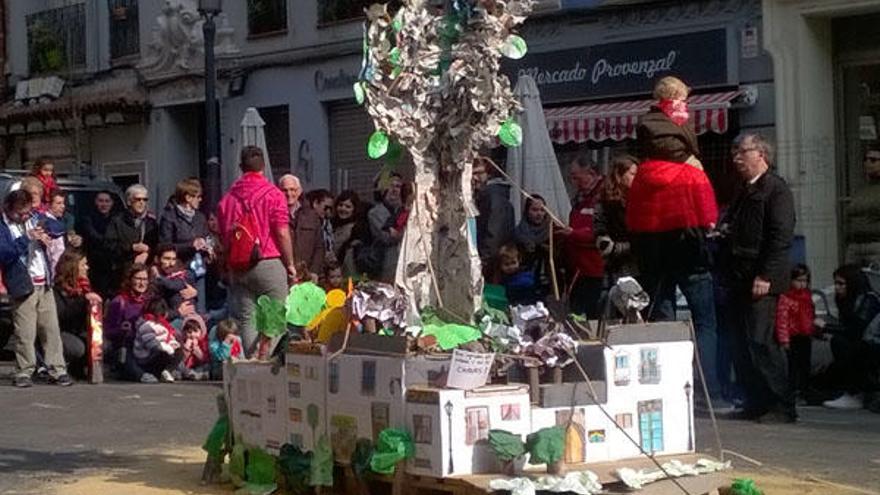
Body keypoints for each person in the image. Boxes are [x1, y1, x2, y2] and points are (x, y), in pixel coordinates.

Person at [719, 133, 797, 423]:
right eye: (734, 151)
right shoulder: (744, 190)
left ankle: (782, 404)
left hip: (761, 276)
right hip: (738, 275)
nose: (737, 157)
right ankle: (755, 401)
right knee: (740, 342)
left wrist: (766, 274)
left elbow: (780, 236)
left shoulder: (776, 190)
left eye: (743, 152)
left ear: (761, 154)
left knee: (761, 340)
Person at [217, 146, 295, 356]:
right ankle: (264, 356)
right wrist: (290, 264)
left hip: (239, 265)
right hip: (268, 260)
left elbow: (224, 238)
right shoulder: (273, 194)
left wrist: (226, 266)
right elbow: (282, 232)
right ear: (264, 166)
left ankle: (252, 362)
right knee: (275, 314)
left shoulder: (227, 200)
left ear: (241, 167)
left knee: (247, 318)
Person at [0, 190, 72, 387]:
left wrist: (45, 229)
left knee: (50, 329)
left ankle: (57, 369)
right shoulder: (3, 225)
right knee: (25, 331)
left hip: (44, 282)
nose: (25, 217)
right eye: (21, 213)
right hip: (23, 283)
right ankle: (24, 371)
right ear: (9, 208)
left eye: (27, 212)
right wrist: (27, 239)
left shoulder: (35, 217)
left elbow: (59, 227)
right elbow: (4, 254)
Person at [821, 265, 880, 411]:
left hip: (872, 345)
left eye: (841, 284)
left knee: (843, 345)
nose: (837, 288)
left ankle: (855, 393)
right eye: (836, 283)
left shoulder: (868, 300)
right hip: (865, 344)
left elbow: (856, 330)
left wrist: (826, 327)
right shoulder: (849, 300)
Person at [159, 178, 211, 312]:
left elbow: (206, 237)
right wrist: (190, 245)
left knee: (200, 311)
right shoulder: (170, 217)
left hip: (199, 270)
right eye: (198, 197)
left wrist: (208, 250)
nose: (200, 200)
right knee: (184, 310)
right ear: (188, 197)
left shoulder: (200, 217)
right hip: (179, 272)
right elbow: (165, 246)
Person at [562, 156, 605, 318]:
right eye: (572, 178)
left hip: (596, 268)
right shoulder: (580, 198)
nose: (574, 182)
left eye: (576, 177)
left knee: (595, 314)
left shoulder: (603, 197)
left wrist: (574, 233)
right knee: (576, 315)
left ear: (591, 174)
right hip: (578, 268)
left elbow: (599, 232)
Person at [54, 249, 102, 378]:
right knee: (77, 348)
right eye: (83, 264)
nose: (87, 267)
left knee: (100, 343)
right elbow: (61, 316)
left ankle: (78, 368)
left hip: (79, 330)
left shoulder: (85, 287)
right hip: (62, 331)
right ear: (73, 267)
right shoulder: (57, 289)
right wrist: (83, 301)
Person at [637, 76, 702, 169]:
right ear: (672, 98)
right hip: (673, 170)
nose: (685, 104)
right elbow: (668, 147)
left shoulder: (676, 118)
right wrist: (689, 161)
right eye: (683, 100)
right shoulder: (653, 121)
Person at [595, 155, 639, 285]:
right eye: (632, 174)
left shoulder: (641, 202)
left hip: (645, 268)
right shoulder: (605, 205)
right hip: (620, 271)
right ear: (619, 176)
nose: (636, 178)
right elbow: (603, 245)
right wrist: (634, 246)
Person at [775, 264, 816, 402]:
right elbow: (782, 320)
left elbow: (809, 316)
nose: (802, 284)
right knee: (792, 366)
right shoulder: (786, 298)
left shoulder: (807, 296)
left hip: (805, 335)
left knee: (805, 365)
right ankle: (792, 391)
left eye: (804, 281)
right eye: (799, 280)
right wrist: (784, 339)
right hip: (793, 336)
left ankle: (805, 390)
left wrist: (813, 330)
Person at [106, 184, 159, 293]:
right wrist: (132, 247)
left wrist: (148, 252)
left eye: (145, 200)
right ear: (129, 202)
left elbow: (158, 245)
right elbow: (109, 246)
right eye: (138, 199)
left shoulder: (151, 222)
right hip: (123, 276)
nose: (142, 203)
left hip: (145, 275)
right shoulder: (117, 221)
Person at [104, 263, 150, 380]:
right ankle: (139, 375)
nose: (142, 283)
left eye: (145, 279)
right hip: (125, 347)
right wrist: (122, 330)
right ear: (130, 280)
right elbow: (108, 331)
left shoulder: (150, 301)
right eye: (138, 279)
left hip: (145, 345)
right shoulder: (119, 302)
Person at [474, 159, 515, 270]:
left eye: (479, 173)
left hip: (493, 260)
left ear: (489, 173)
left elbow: (494, 231)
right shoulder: (487, 195)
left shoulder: (493, 197)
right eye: (473, 173)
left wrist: (483, 260)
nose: (474, 178)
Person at [844, 145, 880, 266]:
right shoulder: (861, 188)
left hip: (875, 244)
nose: (868, 163)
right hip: (855, 244)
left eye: (873, 160)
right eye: (866, 159)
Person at [133, 298, 181, 383]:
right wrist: (168, 348)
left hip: (159, 351)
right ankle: (162, 372)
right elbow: (152, 344)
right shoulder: (147, 325)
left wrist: (173, 344)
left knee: (179, 351)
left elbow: (168, 338)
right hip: (146, 358)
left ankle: (167, 371)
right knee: (164, 353)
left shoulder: (163, 324)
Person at [367, 173, 404, 282]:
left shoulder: (408, 211)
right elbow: (387, 237)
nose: (394, 190)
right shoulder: (374, 213)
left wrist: (398, 233)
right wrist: (404, 233)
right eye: (390, 186)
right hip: (386, 265)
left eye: (398, 186)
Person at [80, 191, 116, 299]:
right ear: (95, 202)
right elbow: (94, 237)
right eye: (100, 201)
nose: (104, 204)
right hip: (95, 267)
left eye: (107, 201)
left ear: (112, 203)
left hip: (114, 267)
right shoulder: (87, 219)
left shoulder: (116, 219)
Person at [151, 244, 197, 321]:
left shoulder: (181, 276)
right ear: (157, 259)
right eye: (167, 259)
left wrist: (195, 293)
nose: (171, 263)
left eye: (173, 259)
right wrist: (178, 312)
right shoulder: (152, 282)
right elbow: (155, 314)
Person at [331, 190, 370, 278]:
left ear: (354, 209)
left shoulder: (359, 229)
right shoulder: (331, 225)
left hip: (350, 274)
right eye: (340, 205)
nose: (343, 209)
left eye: (348, 206)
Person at [179, 313, 210, 380]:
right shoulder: (183, 342)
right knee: (179, 365)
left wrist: (198, 351)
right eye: (189, 332)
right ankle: (190, 374)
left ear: (201, 332)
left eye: (195, 331)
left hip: (199, 365)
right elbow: (182, 360)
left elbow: (205, 359)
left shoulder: (203, 343)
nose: (192, 335)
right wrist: (186, 350)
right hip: (187, 367)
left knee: (206, 366)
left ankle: (201, 375)